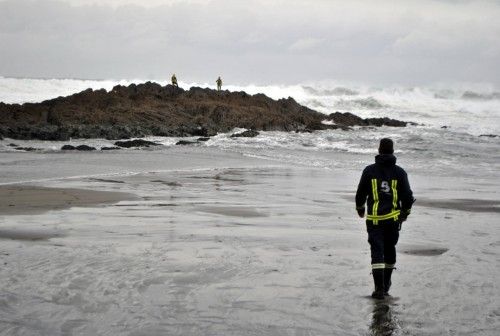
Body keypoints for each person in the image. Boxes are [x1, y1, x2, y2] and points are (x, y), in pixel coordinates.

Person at [355, 138, 414, 299]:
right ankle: (386, 285)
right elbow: (408, 196)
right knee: (390, 251)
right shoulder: (400, 172)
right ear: (393, 151)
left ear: (379, 150)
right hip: (393, 220)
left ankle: (379, 288)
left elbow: (360, 193)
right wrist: (405, 213)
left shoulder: (369, 171)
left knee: (377, 252)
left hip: (374, 220)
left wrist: (360, 208)